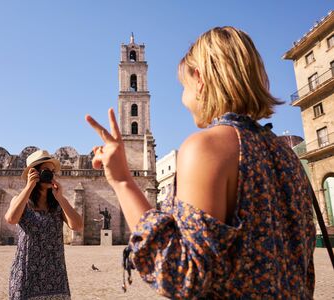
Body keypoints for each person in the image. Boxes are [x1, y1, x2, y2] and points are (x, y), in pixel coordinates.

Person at [86, 26, 315, 298]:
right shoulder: (285, 155)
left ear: (199, 78)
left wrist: (122, 180)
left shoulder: (207, 147)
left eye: (183, 84)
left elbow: (182, 275)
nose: (182, 98)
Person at [5, 150, 83, 300]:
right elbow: (11, 219)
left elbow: (78, 226)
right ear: (33, 172)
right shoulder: (20, 200)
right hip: (26, 274)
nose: (51, 175)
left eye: (53, 172)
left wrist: (61, 198)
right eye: (46, 171)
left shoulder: (58, 205)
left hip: (55, 276)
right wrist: (28, 187)